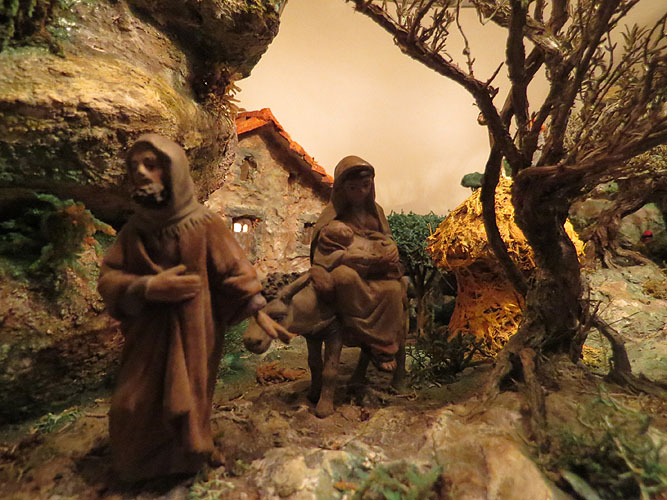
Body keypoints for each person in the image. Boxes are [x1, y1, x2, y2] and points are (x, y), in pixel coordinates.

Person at [98, 134, 266, 482]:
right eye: (134, 166)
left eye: (151, 165)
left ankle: (186, 457)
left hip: (193, 331)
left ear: (173, 169)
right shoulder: (135, 231)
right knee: (132, 400)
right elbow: (110, 277)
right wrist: (148, 287)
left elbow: (235, 270)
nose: (141, 173)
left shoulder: (204, 223)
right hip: (147, 334)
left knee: (188, 399)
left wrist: (257, 309)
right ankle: (136, 464)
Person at [309, 155, 405, 371]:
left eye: (365, 186)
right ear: (342, 189)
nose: (360, 192)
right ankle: (354, 327)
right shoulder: (333, 215)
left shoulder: (376, 212)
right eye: (353, 188)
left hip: (376, 271)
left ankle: (381, 346)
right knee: (344, 277)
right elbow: (322, 250)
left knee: (393, 289)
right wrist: (346, 257)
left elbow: (386, 237)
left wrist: (390, 248)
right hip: (347, 269)